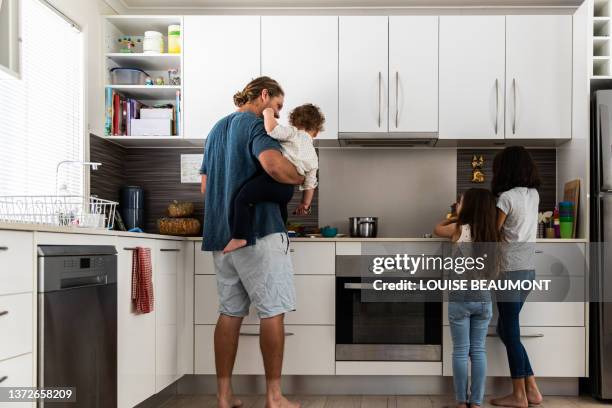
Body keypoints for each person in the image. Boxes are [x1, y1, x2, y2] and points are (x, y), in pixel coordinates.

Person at [200, 76, 303, 408]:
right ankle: (274, 396)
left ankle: (224, 396)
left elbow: (205, 187)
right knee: (273, 311)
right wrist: (301, 175)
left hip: (220, 236)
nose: (277, 114)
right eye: (277, 105)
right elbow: (274, 166)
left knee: (229, 313)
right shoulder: (256, 124)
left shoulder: (216, 130)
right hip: (259, 233)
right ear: (263, 96)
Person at [223, 103, 324, 254]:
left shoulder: (293, 133)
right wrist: (304, 204)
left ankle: (239, 236)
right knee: (280, 210)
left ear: (295, 122)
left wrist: (268, 113)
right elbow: (311, 184)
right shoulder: (314, 156)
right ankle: (282, 237)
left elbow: (272, 129)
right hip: (287, 191)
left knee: (242, 199)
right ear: (316, 132)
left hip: (274, 181)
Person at [434, 188, 500, 408]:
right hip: (483, 299)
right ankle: (477, 401)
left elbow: (437, 229)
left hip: (460, 298)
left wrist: (454, 214)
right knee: (478, 350)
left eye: (461, 202)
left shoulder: (459, 228)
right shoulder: (492, 233)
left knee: (461, 350)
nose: (458, 204)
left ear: (467, 207)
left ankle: (462, 402)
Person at [490, 146, 543, 408]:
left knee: (510, 330)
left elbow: (492, 232)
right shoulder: (533, 195)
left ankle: (519, 395)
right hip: (528, 272)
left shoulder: (505, 198)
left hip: (509, 271)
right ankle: (531, 388)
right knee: (506, 328)